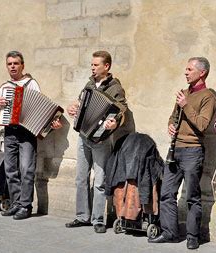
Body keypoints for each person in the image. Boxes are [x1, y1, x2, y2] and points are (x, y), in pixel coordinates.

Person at [148, 57, 216, 250]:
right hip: (175, 149)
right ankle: (169, 233)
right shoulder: (184, 93)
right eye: (185, 69)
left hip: (192, 151)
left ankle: (193, 236)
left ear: (202, 72)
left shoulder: (208, 96)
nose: (185, 72)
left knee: (192, 196)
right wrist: (170, 125)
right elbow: (174, 116)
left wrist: (186, 104)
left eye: (189, 69)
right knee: (166, 193)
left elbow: (203, 125)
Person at [65, 50, 133, 233]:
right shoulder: (89, 84)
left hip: (101, 139)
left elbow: (122, 110)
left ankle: (98, 219)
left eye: (96, 65)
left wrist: (114, 123)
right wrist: (74, 108)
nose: (92, 68)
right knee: (80, 178)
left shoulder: (115, 87)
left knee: (100, 180)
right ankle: (82, 216)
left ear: (106, 66)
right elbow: (81, 103)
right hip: (84, 136)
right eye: (92, 65)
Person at [0, 51, 62, 220]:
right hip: (10, 131)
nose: (12, 66)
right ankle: (15, 203)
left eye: (16, 63)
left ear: (22, 65)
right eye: (9, 64)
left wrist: (51, 123)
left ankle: (26, 206)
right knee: (10, 169)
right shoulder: (4, 87)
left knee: (27, 169)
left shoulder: (31, 84)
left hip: (28, 131)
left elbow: (42, 107)